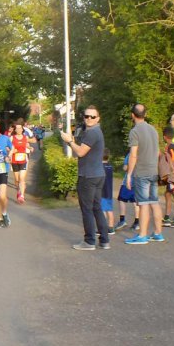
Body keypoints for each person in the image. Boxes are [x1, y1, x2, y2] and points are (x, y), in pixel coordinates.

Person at [59, 105, 110, 250]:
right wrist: (72, 139)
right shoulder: (95, 131)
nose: (89, 119)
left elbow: (81, 152)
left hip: (88, 176)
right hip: (97, 174)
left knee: (87, 209)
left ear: (98, 118)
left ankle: (89, 241)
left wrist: (69, 141)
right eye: (87, 116)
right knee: (96, 208)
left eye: (92, 117)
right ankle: (104, 240)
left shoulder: (92, 133)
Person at [124, 103, 165, 244]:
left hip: (141, 172)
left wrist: (129, 174)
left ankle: (142, 235)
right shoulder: (153, 130)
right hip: (154, 171)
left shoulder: (134, 131)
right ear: (145, 114)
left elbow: (133, 155)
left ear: (132, 115)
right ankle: (158, 233)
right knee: (154, 202)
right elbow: (157, 152)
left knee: (143, 204)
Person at [115, 152, 139, 231]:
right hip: (140, 181)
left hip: (128, 181)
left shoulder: (131, 154)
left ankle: (122, 220)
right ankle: (137, 222)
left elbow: (125, 168)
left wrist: (128, 167)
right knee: (136, 202)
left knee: (122, 199)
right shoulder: (144, 153)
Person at [10, 121, 33, 203]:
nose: (19, 130)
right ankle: (18, 191)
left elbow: (27, 145)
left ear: (22, 129)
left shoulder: (25, 137)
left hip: (23, 160)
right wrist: (12, 151)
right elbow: (7, 147)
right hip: (14, 160)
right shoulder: (12, 138)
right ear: (15, 130)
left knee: (22, 179)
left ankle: (22, 196)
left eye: (20, 128)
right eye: (17, 128)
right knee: (17, 180)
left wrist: (30, 148)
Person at [102, 148, 115, 233]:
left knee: (102, 210)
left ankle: (102, 228)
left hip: (102, 192)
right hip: (109, 191)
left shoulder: (100, 167)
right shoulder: (110, 166)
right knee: (109, 210)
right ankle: (111, 227)